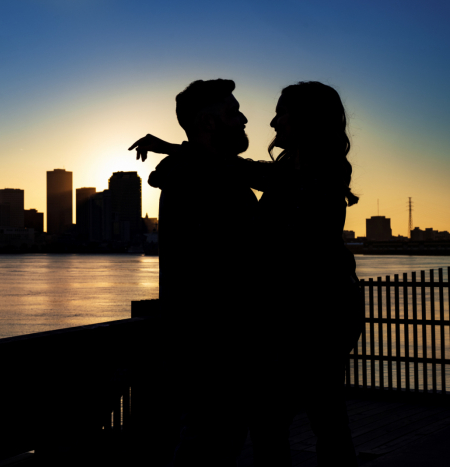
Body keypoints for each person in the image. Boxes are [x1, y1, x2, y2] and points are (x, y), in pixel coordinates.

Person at [130, 81, 365, 466]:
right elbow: (246, 177)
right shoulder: (290, 167)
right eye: (232, 113)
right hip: (279, 324)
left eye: (282, 112)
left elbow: (267, 230)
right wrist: (181, 153)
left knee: (303, 420)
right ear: (208, 123)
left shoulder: (315, 173)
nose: (266, 120)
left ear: (307, 119)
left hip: (319, 315)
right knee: (288, 422)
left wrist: (182, 155)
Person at [129, 79, 260, 466]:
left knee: (215, 441)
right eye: (233, 112)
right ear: (207, 122)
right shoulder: (202, 181)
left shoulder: (205, 173)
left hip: (215, 342)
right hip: (214, 346)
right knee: (207, 444)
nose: (244, 119)